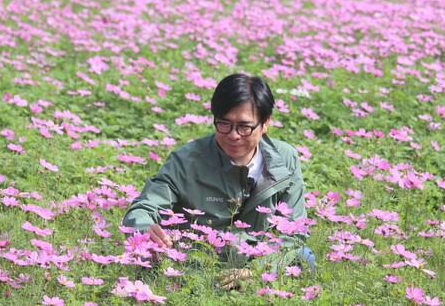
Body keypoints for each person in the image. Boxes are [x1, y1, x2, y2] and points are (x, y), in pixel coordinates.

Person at [122, 73, 314, 287]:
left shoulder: (285, 159)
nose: (233, 135)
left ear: (265, 123)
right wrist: (144, 225)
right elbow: (145, 206)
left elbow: (295, 231)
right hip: (197, 264)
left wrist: (256, 271)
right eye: (224, 124)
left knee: (305, 256)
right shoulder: (187, 160)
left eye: (244, 127)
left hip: (256, 265)